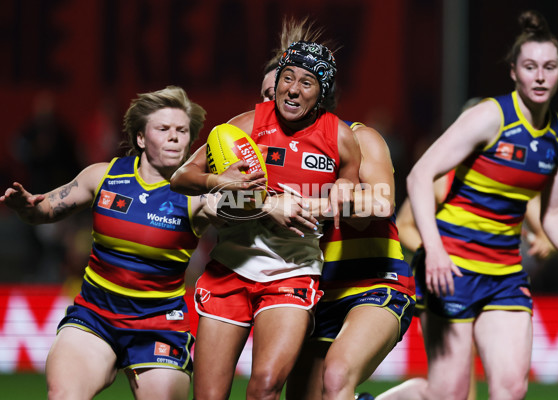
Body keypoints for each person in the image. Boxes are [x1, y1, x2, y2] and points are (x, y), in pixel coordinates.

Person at [376, 10, 558, 400]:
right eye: (530, 66)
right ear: (514, 71)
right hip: (450, 271)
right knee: (450, 395)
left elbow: (555, 212)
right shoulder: (488, 118)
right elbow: (419, 176)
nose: (540, 76)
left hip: (505, 276)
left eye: (549, 67)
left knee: (511, 389)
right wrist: (435, 251)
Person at [170, 38, 361, 400]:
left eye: (306, 82)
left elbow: (345, 202)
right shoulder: (244, 125)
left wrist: (311, 205)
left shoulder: (340, 138)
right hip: (231, 268)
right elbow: (180, 179)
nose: (292, 89)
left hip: (292, 272)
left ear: (320, 92)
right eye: (288, 77)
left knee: (266, 387)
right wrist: (220, 182)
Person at [1, 86, 211, 400]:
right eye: (163, 128)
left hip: (159, 327)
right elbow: (42, 211)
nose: (174, 137)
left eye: (182, 130)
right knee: (63, 395)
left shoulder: (199, 198)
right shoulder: (104, 177)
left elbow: (255, 206)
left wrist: (241, 185)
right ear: (141, 138)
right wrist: (26, 207)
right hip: (95, 318)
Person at [256, 18, 415, 400]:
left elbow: (380, 202)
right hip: (310, 294)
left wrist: (322, 203)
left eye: (296, 84)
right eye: (265, 93)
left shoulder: (359, 138)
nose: (274, 99)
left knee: (336, 375)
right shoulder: (258, 157)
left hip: (374, 284)